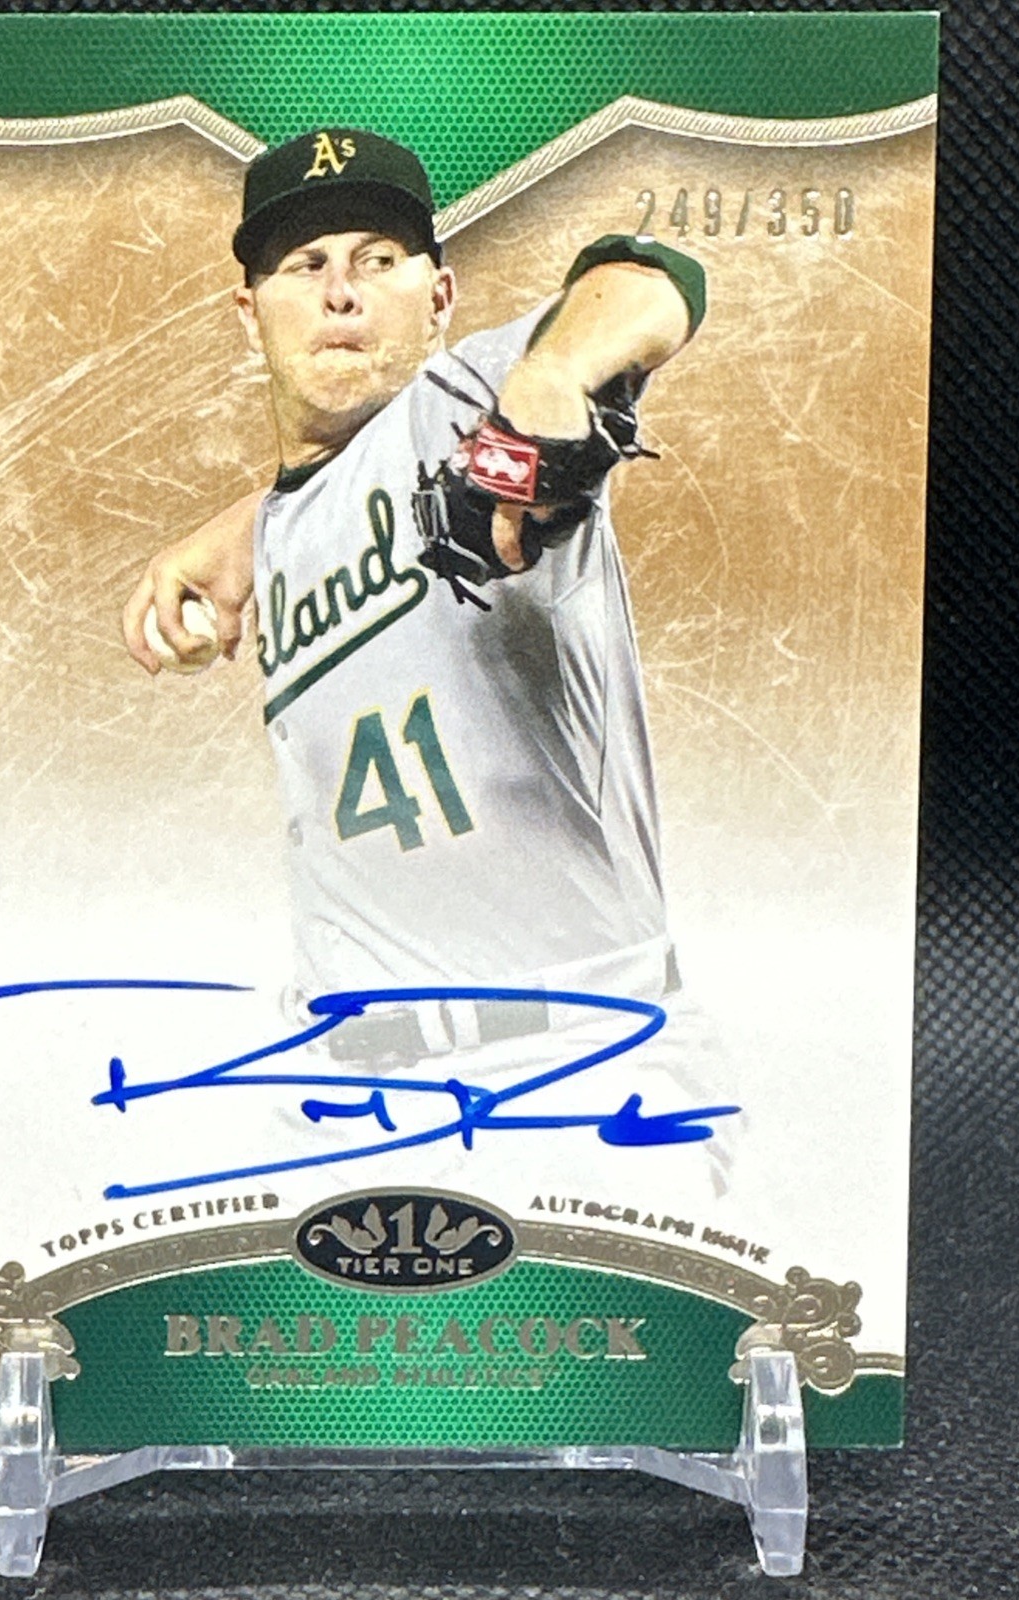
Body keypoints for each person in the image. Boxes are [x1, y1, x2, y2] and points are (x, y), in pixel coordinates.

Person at [121, 128, 710, 1077]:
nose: (341, 292)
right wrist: (250, 526)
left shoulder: (464, 397)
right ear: (248, 313)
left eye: (378, 260)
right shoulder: (280, 526)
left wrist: (552, 373)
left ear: (438, 296)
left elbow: (648, 280)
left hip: (576, 1055)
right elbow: (334, 489)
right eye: (305, 265)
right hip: (345, 1075)